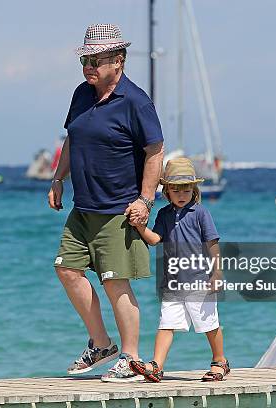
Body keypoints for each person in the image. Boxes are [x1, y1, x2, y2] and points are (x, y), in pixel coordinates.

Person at [48, 24, 164, 382]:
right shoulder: (82, 94)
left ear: (119, 61)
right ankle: (101, 344)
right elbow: (72, 138)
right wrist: (58, 177)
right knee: (67, 269)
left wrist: (145, 200)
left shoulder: (136, 101)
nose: (89, 65)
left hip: (119, 209)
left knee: (116, 283)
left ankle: (130, 358)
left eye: (96, 59)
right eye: (86, 58)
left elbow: (155, 152)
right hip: (82, 207)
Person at [129, 158, 229, 382]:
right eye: (176, 189)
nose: (182, 194)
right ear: (167, 192)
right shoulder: (164, 214)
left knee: (209, 324)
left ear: (194, 190)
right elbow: (155, 239)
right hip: (172, 282)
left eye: (186, 189)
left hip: (200, 281)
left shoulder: (201, 213)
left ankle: (220, 361)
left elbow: (212, 243)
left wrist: (217, 273)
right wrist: (140, 227)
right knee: (166, 324)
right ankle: (156, 365)